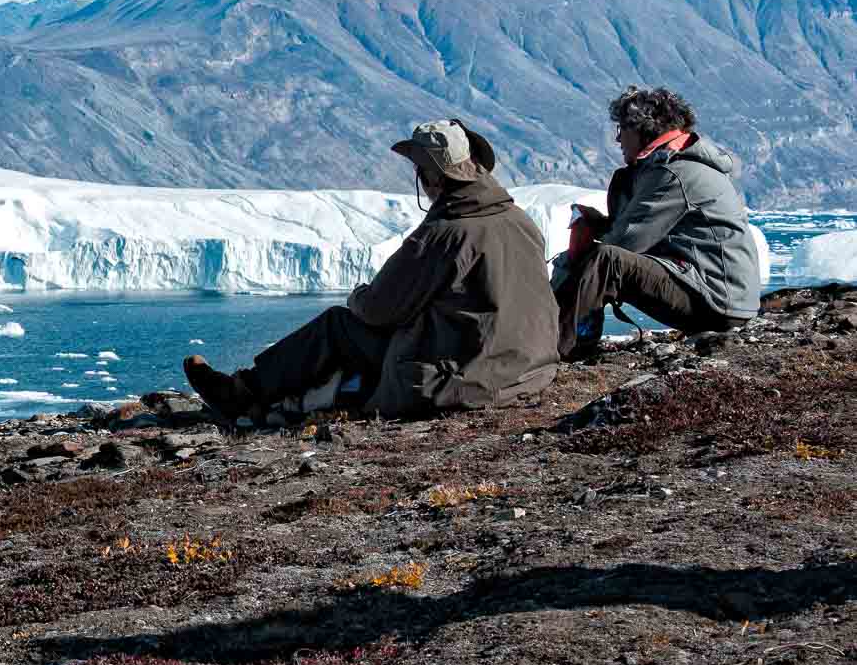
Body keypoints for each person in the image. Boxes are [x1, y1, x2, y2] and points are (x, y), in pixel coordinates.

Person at [184, 120, 559, 420]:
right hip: (529, 373)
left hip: (460, 381)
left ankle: (241, 394)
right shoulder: (518, 220)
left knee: (337, 325)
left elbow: (380, 309)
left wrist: (358, 294)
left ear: (432, 177)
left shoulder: (445, 234)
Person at [555, 86, 761, 360]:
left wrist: (593, 236)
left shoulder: (673, 174)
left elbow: (624, 244)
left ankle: (561, 348)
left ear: (643, 130)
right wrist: (602, 223)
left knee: (607, 261)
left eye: (622, 130)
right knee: (602, 259)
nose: (618, 141)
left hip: (717, 302)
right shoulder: (672, 167)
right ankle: (557, 337)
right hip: (723, 297)